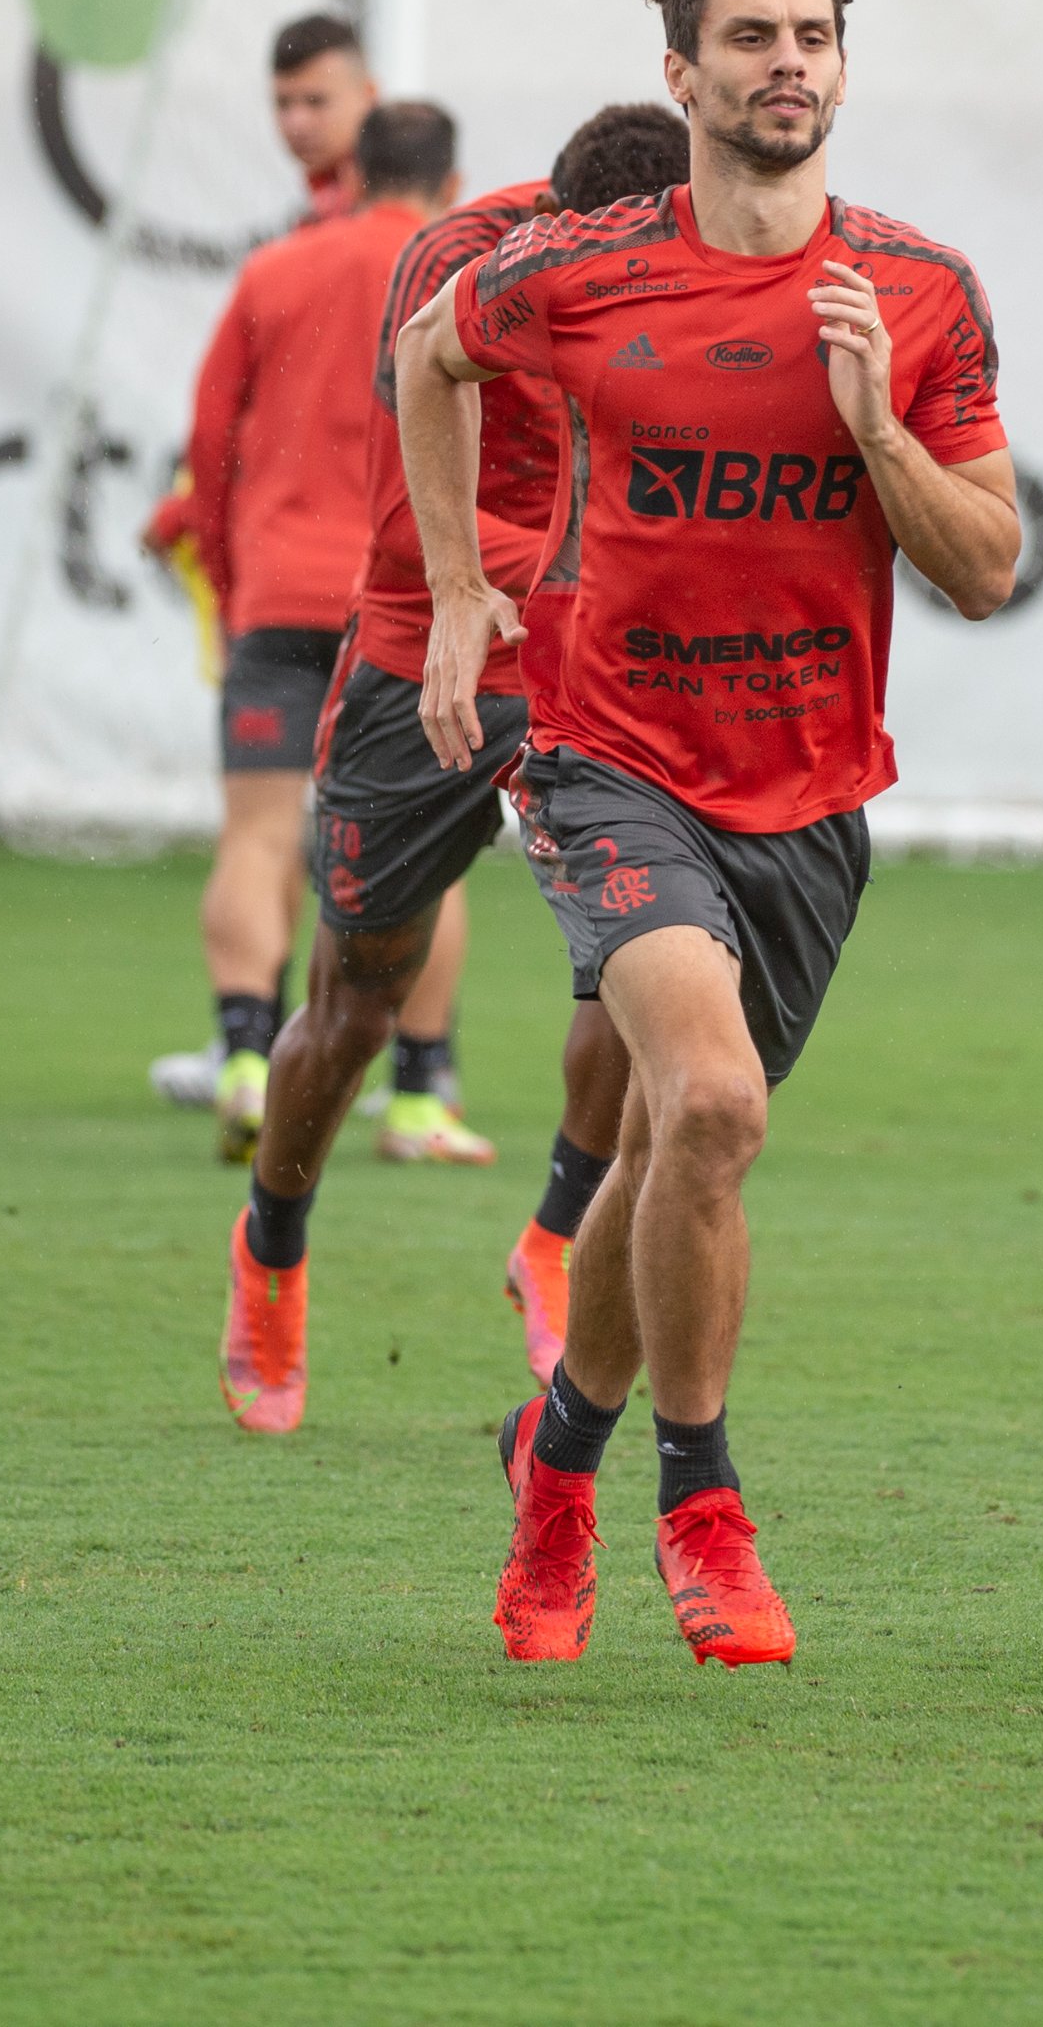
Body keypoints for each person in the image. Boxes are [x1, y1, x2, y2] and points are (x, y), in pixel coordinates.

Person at [407, 0, 1021, 1667]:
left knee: (680, 1147)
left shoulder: (915, 293)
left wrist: (879, 425)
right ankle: (702, 1499)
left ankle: (556, 1469)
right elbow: (427, 356)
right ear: (680, 73)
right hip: (609, 763)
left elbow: (984, 568)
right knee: (716, 1110)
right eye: (749, 38)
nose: (786, 66)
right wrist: (461, 587)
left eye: (812, 36)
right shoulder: (585, 270)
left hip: (813, 791)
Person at [218, 99, 692, 1434]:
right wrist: (476, 586)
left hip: (601, 663)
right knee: (356, 1002)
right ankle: (272, 1242)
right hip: (430, 652)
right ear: (565, 225)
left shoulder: (712, 264)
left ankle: (551, 1239)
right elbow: (420, 465)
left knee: (650, 967)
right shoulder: (467, 264)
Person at [144, 15, 443, 1160]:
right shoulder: (453, 262)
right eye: (283, 104)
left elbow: (207, 438)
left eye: (314, 103)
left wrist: (221, 567)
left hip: (280, 591)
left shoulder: (278, 265)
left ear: (365, 110)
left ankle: (244, 1052)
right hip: (402, 595)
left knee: (258, 833)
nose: (295, 125)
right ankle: (422, 1084)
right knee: (426, 843)